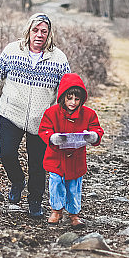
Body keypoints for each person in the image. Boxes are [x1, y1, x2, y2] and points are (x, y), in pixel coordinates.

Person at [0, 13, 71, 218]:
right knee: (6, 154)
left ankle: (35, 201)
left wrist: (66, 116)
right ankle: (17, 180)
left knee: (38, 164)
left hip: (42, 120)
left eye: (44, 32)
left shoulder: (58, 58)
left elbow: (66, 90)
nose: (39, 35)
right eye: (35, 30)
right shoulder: (12, 51)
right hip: (11, 112)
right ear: (29, 31)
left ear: (49, 34)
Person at [38, 73, 103, 228]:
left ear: (81, 99)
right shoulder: (51, 113)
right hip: (56, 158)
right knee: (56, 184)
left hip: (76, 159)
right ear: (63, 97)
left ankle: (74, 214)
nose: (73, 102)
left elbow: (97, 130)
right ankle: (56, 210)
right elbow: (43, 130)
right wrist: (53, 138)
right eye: (69, 98)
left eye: (77, 99)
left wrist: (92, 136)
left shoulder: (88, 114)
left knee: (74, 187)